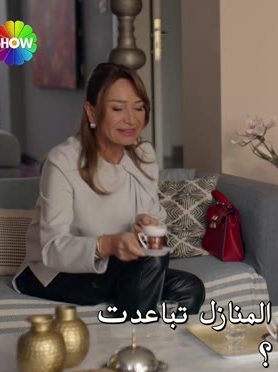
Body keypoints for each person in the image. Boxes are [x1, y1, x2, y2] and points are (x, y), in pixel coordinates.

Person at [13, 62, 206, 317]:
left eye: (138, 107)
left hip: (113, 267)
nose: (131, 119)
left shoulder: (144, 155)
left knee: (190, 288)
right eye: (117, 108)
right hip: (56, 273)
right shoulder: (62, 161)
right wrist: (106, 245)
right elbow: (52, 250)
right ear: (92, 113)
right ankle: (134, 333)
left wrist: (148, 224)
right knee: (151, 261)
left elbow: (157, 225)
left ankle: (145, 325)